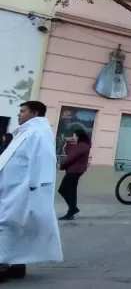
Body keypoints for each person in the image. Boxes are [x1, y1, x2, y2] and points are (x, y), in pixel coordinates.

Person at [0, 101, 62, 282]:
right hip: (12, 190)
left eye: (23, 111)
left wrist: (36, 187)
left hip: (23, 191)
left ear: (34, 113)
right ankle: (17, 265)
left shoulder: (38, 132)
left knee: (7, 226)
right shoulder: (26, 132)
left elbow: (43, 160)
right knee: (15, 227)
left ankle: (3, 267)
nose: (19, 114)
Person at [58, 128, 91, 220]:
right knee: (71, 191)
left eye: (74, 135)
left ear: (79, 136)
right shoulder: (83, 145)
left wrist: (62, 165)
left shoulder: (81, 146)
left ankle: (73, 209)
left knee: (63, 190)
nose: (73, 137)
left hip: (74, 171)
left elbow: (71, 157)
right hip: (76, 170)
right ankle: (71, 211)